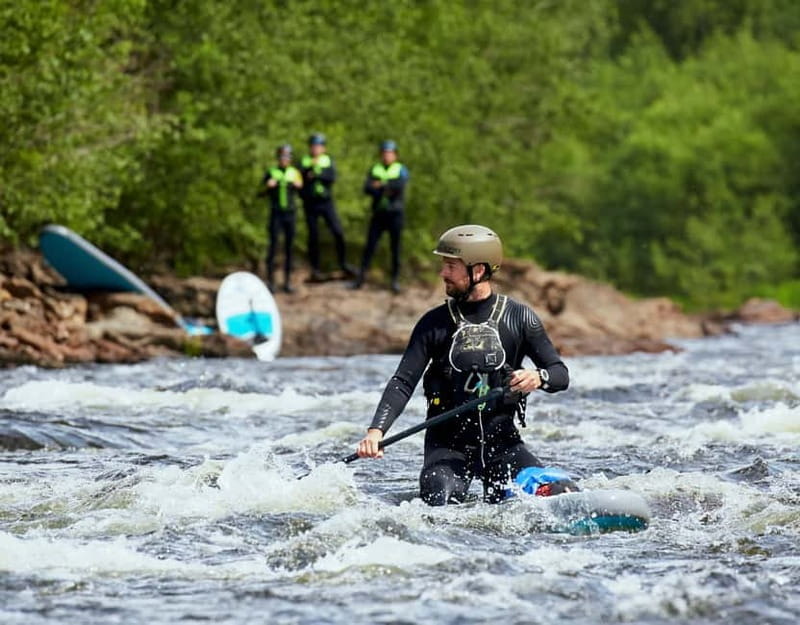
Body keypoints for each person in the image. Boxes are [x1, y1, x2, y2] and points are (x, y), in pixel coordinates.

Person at [356, 224, 578, 505]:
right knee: (440, 501)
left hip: (503, 445)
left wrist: (538, 376)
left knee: (560, 491)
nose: (443, 273)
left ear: (479, 270)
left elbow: (560, 374)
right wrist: (375, 432)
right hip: (447, 450)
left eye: (451, 266)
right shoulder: (432, 324)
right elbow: (403, 382)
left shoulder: (520, 318)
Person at [352, 140, 410, 293]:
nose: (386, 156)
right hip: (379, 213)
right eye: (384, 153)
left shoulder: (401, 169)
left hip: (395, 214)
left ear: (395, 155)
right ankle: (360, 279)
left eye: (389, 153)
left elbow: (399, 186)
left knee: (395, 248)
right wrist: (387, 187)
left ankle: (395, 281)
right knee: (369, 247)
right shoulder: (375, 168)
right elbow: (367, 188)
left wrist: (381, 185)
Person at [299, 133, 355, 281]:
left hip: (326, 202)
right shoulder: (303, 161)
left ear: (323, 148)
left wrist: (315, 174)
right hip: (310, 202)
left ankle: (343, 263)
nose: (316, 149)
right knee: (313, 236)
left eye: (319, 146)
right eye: (313, 146)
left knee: (338, 231)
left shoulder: (328, 160)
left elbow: (331, 177)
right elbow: (300, 178)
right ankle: (315, 269)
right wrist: (311, 173)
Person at [258, 144, 302, 293]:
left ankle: (287, 282)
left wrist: (299, 186)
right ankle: (271, 281)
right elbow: (259, 192)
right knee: (273, 246)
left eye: (287, 156)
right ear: (278, 158)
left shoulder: (295, 173)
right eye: (282, 156)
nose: (285, 159)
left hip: (290, 213)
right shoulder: (271, 172)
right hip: (276, 213)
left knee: (289, 248)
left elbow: (304, 191)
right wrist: (267, 187)